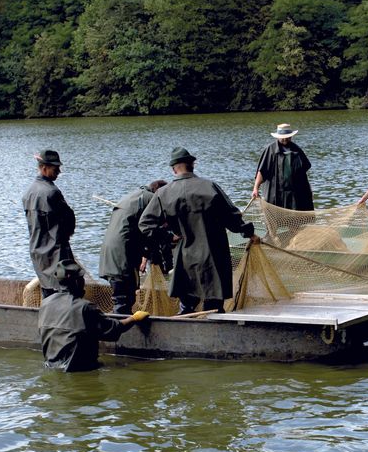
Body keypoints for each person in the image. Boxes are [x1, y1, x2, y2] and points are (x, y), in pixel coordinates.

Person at [139, 147, 259, 315]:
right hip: (214, 256)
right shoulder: (210, 187)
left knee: (187, 307)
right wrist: (249, 233)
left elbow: (145, 224)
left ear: (174, 169)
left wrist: (169, 237)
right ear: (192, 165)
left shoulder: (163, 193)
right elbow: (232, 218)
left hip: (185, 259)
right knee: (215, 307)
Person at [39, 259, 150, 372]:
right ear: (77, 282)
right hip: (80, 371)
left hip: (51, 368)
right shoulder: (85, 307)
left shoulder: (45, 304)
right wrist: (134, 318)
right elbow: (112, 330)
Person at [99, 180, 169, 314]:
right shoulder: (151, 200)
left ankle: (121, 324)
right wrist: (170, 237)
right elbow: (151, 230)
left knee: (124, 297)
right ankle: (121, 331)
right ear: (159, 192)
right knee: (123, 299)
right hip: (122, 255)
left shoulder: (134, 196)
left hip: (109, 253)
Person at [22, 149, 76, 298]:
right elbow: (68, 220)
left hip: (37, 253)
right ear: (44, 168)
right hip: (56, 254)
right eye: (55, 168)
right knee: (66, 294)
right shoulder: (52, 192)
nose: (59, 171)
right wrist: (67, 235)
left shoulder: (28, 192)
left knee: (47, 292)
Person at [252, 123, 314, 211]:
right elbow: (261, 171)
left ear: (291, 136)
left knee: (296, 220)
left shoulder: (297, 150)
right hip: (275, 194)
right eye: (282, 137)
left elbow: (303, 174)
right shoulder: (271, 150)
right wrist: (255, 188)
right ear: (278, 137)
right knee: (273, 220)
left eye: (287, 136)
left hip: (294, 195)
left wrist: (309, 190)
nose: (285, 139)